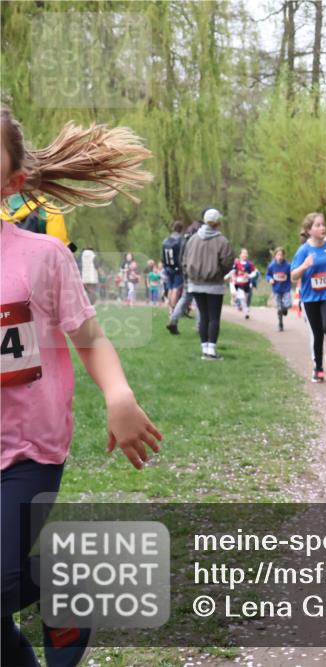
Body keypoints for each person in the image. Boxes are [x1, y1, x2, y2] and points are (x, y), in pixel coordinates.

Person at [1, 107, 163, 667]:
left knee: (3, 579)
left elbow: (90, 338)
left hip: (27, 451)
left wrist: (119, 396)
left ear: (12, 183)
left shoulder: (41, 258)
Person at [291, 213, 326, 382]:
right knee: (317, 334)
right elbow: (293, 276)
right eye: (318, 225)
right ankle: (318, 368)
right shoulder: (303, 250)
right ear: (309, 230)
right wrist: (304, 266)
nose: (322, 228)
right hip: (310, 298)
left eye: (323, 224)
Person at [181, 208, 233, 360]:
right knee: (214, 317)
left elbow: (185, 260)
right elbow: (227, 262)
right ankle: (211, 350)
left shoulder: (193, 239)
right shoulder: (222, 241)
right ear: (218, 222)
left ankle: (204, 348)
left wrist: (189, 274)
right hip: (214, 284)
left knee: (203, 316)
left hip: (195, 283)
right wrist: (220, 273)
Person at [266, 247, 293, 332]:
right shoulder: (272, 266)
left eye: (281, 255)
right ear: (275, 256)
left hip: (286, 288)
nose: (280, 257)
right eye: (278, 255)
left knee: (288, 304)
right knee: (279, 308)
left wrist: (293, 279)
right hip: (276, 289)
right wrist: (270, 279)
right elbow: (267, 275)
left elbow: (292, 274)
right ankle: (280, 323)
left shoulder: (288, 265)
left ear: (284, 256)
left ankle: (285, 309)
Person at [161, 220, 186, 310]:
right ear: (181, 229)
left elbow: (162, 256)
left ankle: (169, 308)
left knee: (170, 287)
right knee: (176, 288)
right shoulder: (181, 240)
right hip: (177, 268)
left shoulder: (165, 241)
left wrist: (165, 265)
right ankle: (173, 308)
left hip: (167, 267)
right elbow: (183, 254)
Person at [232, 248, 256, 319]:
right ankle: (246, 312)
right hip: (239, 283)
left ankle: (239, 303)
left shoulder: (250, 264)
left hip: (247, 283)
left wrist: (249, 275)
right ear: (240, 255)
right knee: (242, 297)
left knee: (247, 297)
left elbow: (254, 272)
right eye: (243, 253)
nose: (245, 255)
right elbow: (233, 271)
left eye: (246, 253)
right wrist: (234, 277)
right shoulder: (236, 264)